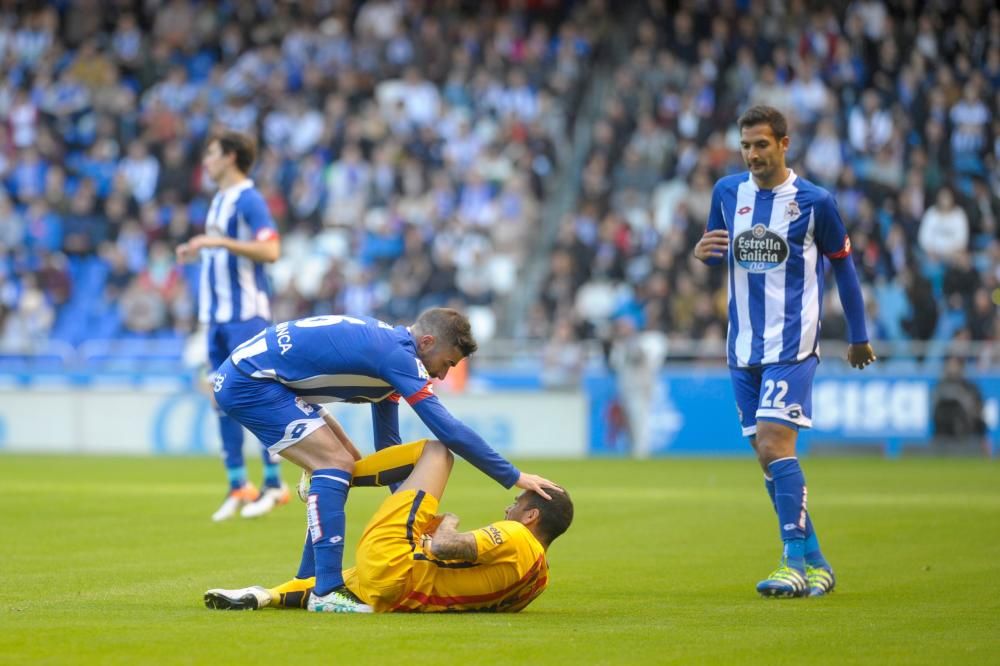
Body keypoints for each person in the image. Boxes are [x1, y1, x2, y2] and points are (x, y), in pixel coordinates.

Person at [208, 307, 562, 612]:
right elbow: (449, 431)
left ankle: (309, 578)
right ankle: (327, 589)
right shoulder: (400, 358)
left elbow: (389, 447)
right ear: (427, 343)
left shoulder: (391, 352)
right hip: (251, 382)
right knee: (335, 464)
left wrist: (407, 514)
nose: (442, 375)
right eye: (446, 363)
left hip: (254, 376)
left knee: (345, 461)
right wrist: (514, 476)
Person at [693, 105, 877, 598]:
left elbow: (845, 269)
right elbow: (718, 249)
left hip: (793, 345)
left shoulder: (816, 202)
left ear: (784, 144)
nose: (753, 154)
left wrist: (858, 336)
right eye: (746, 146)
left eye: (762, 145)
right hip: (743, 347)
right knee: (766, 456)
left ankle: (790, 563)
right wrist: (702, 252)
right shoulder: (727, 193)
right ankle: (816, 561)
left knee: (776, 445)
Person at [203, 438, 573, 613]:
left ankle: (330, 475)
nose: (508, 508)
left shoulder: (518, 536)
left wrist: (449, 522)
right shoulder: (537, 582)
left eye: (517, 503)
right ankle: (262, 595)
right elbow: (465, 582)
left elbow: (447, 547)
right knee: (332, 587)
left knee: (437, 452)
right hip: (397, 598)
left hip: (396, 563)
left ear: (531, 517)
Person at [176, 130, 288, 522]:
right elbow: (222, 255)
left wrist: (219, 244)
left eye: (210, 153)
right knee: (222, 400)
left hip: (246, 318)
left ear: (230, 157)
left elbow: (270, 249)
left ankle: (275, 483)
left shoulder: (249, 199)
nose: (205, 162)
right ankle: (239, 484)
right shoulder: (219, 202)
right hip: (217, 319)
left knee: (256, 398)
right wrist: (198, 251)